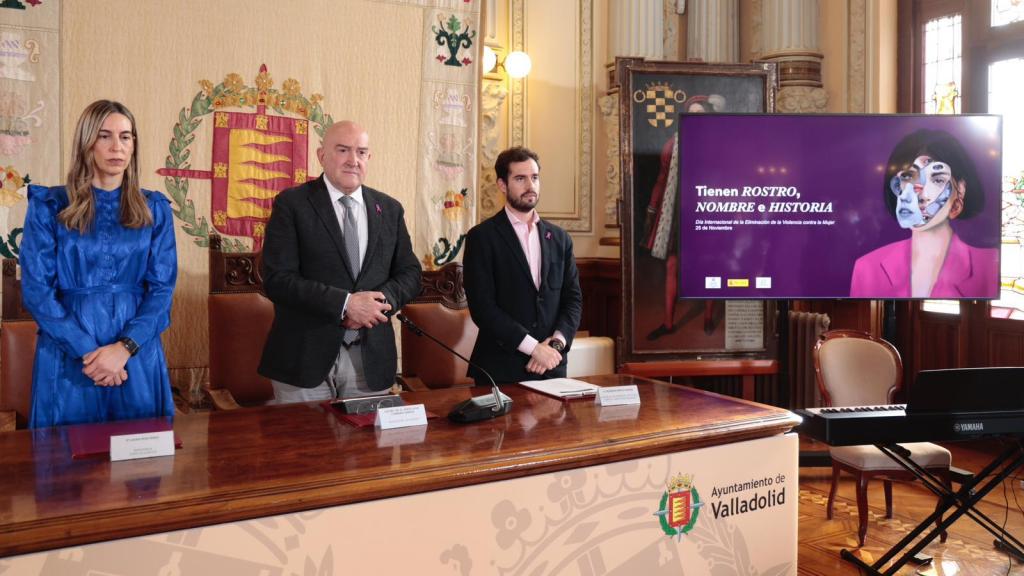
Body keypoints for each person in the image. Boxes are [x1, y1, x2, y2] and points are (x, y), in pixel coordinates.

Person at [20, 100, 178, 428]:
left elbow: (162, 289)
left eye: (126, 137)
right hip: (69, 354)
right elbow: (37, 290)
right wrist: (90, 355)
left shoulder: (154, 208)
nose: (116, 147)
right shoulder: (50, 205)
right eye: (105, 136)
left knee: (140, 468)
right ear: (86, 142)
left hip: (136, 354)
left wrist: (124, 348)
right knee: (67, 467)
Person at [258, 120, 421, 402]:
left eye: (361, 152)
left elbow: (410, 273)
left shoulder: (390, 209)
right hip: (304, 358)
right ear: (322, 156)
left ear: (369, 158)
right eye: (343, 150)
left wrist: (375, 305)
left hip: (370, 359)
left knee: (368, 447)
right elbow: (278, 279)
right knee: (307, 446)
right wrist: (346, 305)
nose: (353, 160)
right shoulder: (292, 204)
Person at [463, 146, 582, 384]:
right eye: (520, 178)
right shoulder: (481, 237)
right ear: (502, 185)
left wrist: (555, 346)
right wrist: (533, 348)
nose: (530, 185)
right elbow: (483, 309)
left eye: (535, 177)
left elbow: (573, 300)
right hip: (500, 369)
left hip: (552, 366)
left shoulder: (560, 238)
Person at [850, 129, 999, 298]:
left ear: (961, 189)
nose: (919, 193)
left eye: (937, 180)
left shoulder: (989, 265)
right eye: (908, 177)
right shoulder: (868, 267)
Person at [642, 94, 724, 340]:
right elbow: (661, 179)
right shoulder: (672, 144)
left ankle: (708, 317)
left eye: (701, 113)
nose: (695, 117)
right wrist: (652, 209)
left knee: (708, 266)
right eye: (692, 112)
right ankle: (667, 323)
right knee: (672, 266)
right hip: (678, 212)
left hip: (708, 211)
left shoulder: (717, 144)